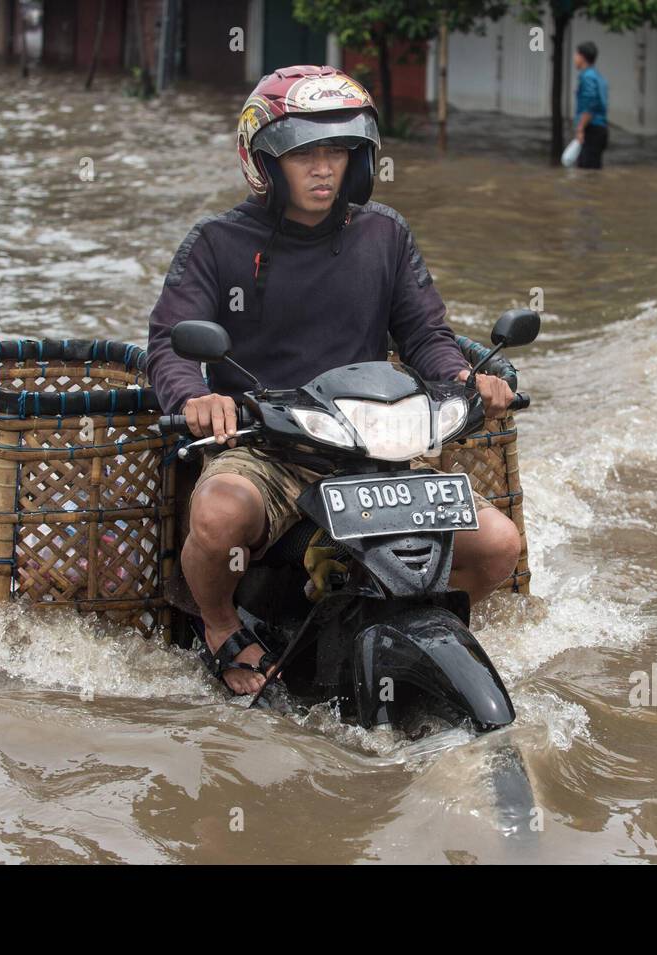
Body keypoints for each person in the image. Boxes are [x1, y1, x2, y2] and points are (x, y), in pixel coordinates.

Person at [146, 65, 522, 696]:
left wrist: (463, 377)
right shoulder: (217, 244)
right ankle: (218, 625)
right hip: (267, 445)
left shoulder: (385, 234)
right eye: (306, 155)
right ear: (265, 162)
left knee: (498, 545)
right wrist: (196, 398)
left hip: (374, 448)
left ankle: (415, 626)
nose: (325, 170)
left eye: (339, 153)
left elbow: (427, 336)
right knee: (217, 517)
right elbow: (171, 341)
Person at [573, 42, 609, 168]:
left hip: (591, 130)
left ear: (582, 57)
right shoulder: (598, 76)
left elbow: (590, 104)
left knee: (586, 174)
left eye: (576, 54)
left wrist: (580, 128)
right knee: (591, 174)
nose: (574, 58)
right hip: (600, 130)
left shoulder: (587, 77)